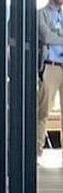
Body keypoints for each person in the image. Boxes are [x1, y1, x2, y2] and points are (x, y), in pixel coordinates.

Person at [38, 0, 63, 157]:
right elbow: (46, 36)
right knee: (44, 110)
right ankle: (37, 151)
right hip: (50, 65)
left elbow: (52, 36)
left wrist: (56, 36)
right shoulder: (41, 14)